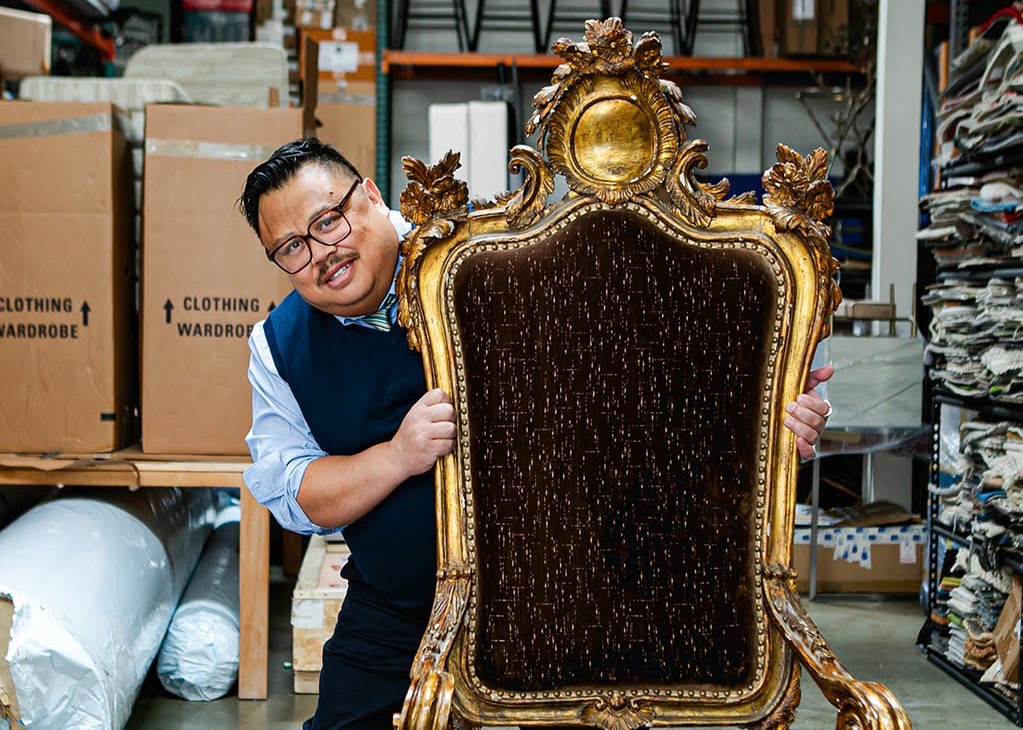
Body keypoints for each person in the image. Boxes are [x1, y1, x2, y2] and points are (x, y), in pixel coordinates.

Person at [239, 137, 834, 730]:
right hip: (403, 610)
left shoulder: (502, 258)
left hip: (574, 596)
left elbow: (659, 378)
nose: (321, 253)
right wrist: (397, 457)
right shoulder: (281, 347)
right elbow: (296, 494)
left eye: (329, 222)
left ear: (368, 194)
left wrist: (771, 415)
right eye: (292, 247)